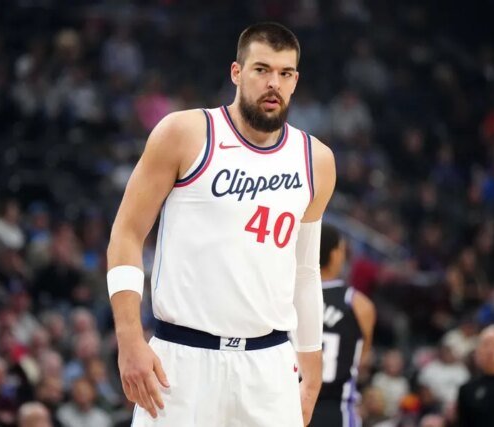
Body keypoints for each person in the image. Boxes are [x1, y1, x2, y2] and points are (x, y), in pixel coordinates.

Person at [107, 22, 336, 426]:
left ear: (295, 81)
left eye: (285, 73)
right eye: (262, 69)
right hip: (182, 360)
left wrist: (311, 368)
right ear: (236, 72)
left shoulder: (316, 159)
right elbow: (126, 233)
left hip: (269, 366)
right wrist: (128, 338)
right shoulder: (185, 133)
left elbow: (305, 270)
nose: (274, 83)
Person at [310, 224, 375, 426]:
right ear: (335, 254)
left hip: (290, 406)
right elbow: (361, 358)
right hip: (336, 410)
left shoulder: (286, 296)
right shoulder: (359, 304)